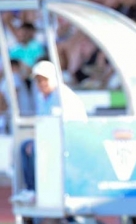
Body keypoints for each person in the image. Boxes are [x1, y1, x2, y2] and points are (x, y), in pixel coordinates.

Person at [11, 60, 88, 204]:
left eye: (44, 80)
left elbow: (65, 125)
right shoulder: (43, 98)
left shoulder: (63, 96)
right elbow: (44, 124)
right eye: (38, 81)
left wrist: (40, 142)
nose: (41, 84)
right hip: (53, 138)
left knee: (34, 148)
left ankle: (37, 190)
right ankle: (31, 189)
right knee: (24, 146)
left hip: (70, 140)